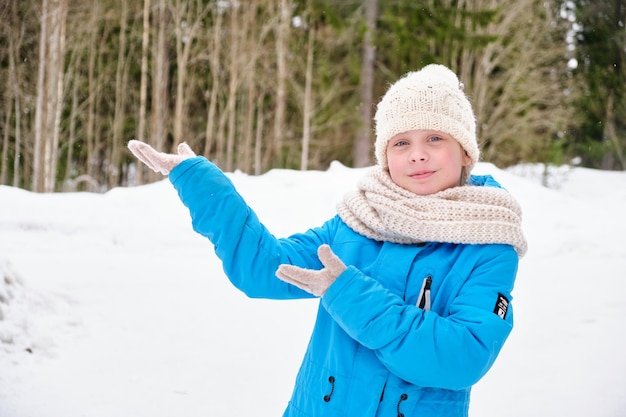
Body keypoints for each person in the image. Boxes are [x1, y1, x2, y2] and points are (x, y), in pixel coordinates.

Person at [128, 64, 527, 417]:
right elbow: (265, 270)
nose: (417, 155)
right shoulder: (356, 223)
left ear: (465, 152)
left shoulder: (488, 244)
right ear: (385, 154)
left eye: (435, 139)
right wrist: (201, 184)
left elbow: (461, 357)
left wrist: (348, 293)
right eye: (401, 142)